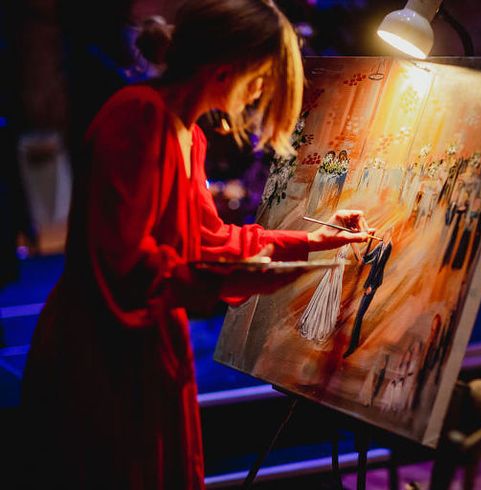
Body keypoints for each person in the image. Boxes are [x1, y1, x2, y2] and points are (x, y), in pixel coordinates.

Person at [20, 1, 370, 488]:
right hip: (105, 352)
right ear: (228, 70)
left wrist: (312, 242)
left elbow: (209, 238)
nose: (261, 93)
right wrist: (237, 276)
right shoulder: (139, 117)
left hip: (147, 345)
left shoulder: (188, 133)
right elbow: (127, 268)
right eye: (261, 79)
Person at [343, 227, 393, 358]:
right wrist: (362, 260)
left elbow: (380, 267)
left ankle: (353, 345)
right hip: (370, 282)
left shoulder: (388, 248)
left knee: (359, 314)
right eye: (383, 234)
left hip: (374, 283)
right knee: (359, 313)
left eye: (385, 234)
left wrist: (372, 286)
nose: (382, 236)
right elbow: (370, 257)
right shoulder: (381, 245)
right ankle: (354, 343)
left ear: (390, 235)